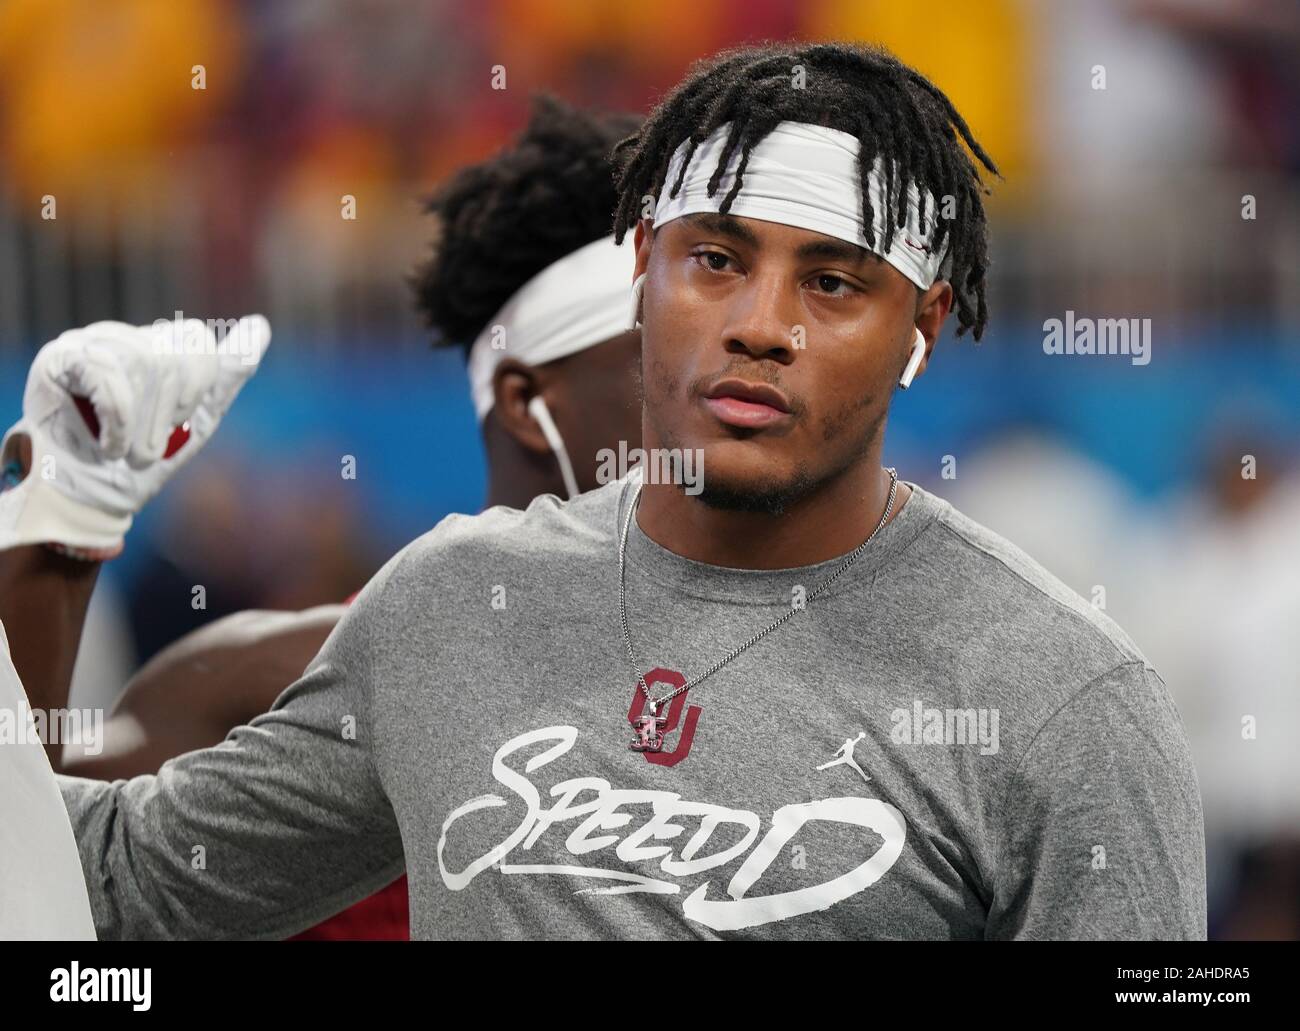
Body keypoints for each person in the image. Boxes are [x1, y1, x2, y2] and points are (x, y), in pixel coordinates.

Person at [46, 41, 1204, 940]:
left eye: (834, 282)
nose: (760, 326)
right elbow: (105, 893)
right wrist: (54, 520)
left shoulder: (1066, 696)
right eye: (715, 259)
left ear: (924, 330)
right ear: (642, 269)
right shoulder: (446, 609)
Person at [0, 96, 643, 938]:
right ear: (527, 402)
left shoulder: (778, 677)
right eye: (655, 361)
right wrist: (58, 532)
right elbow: (39, 889)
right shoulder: (265, 683)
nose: (706, 396)